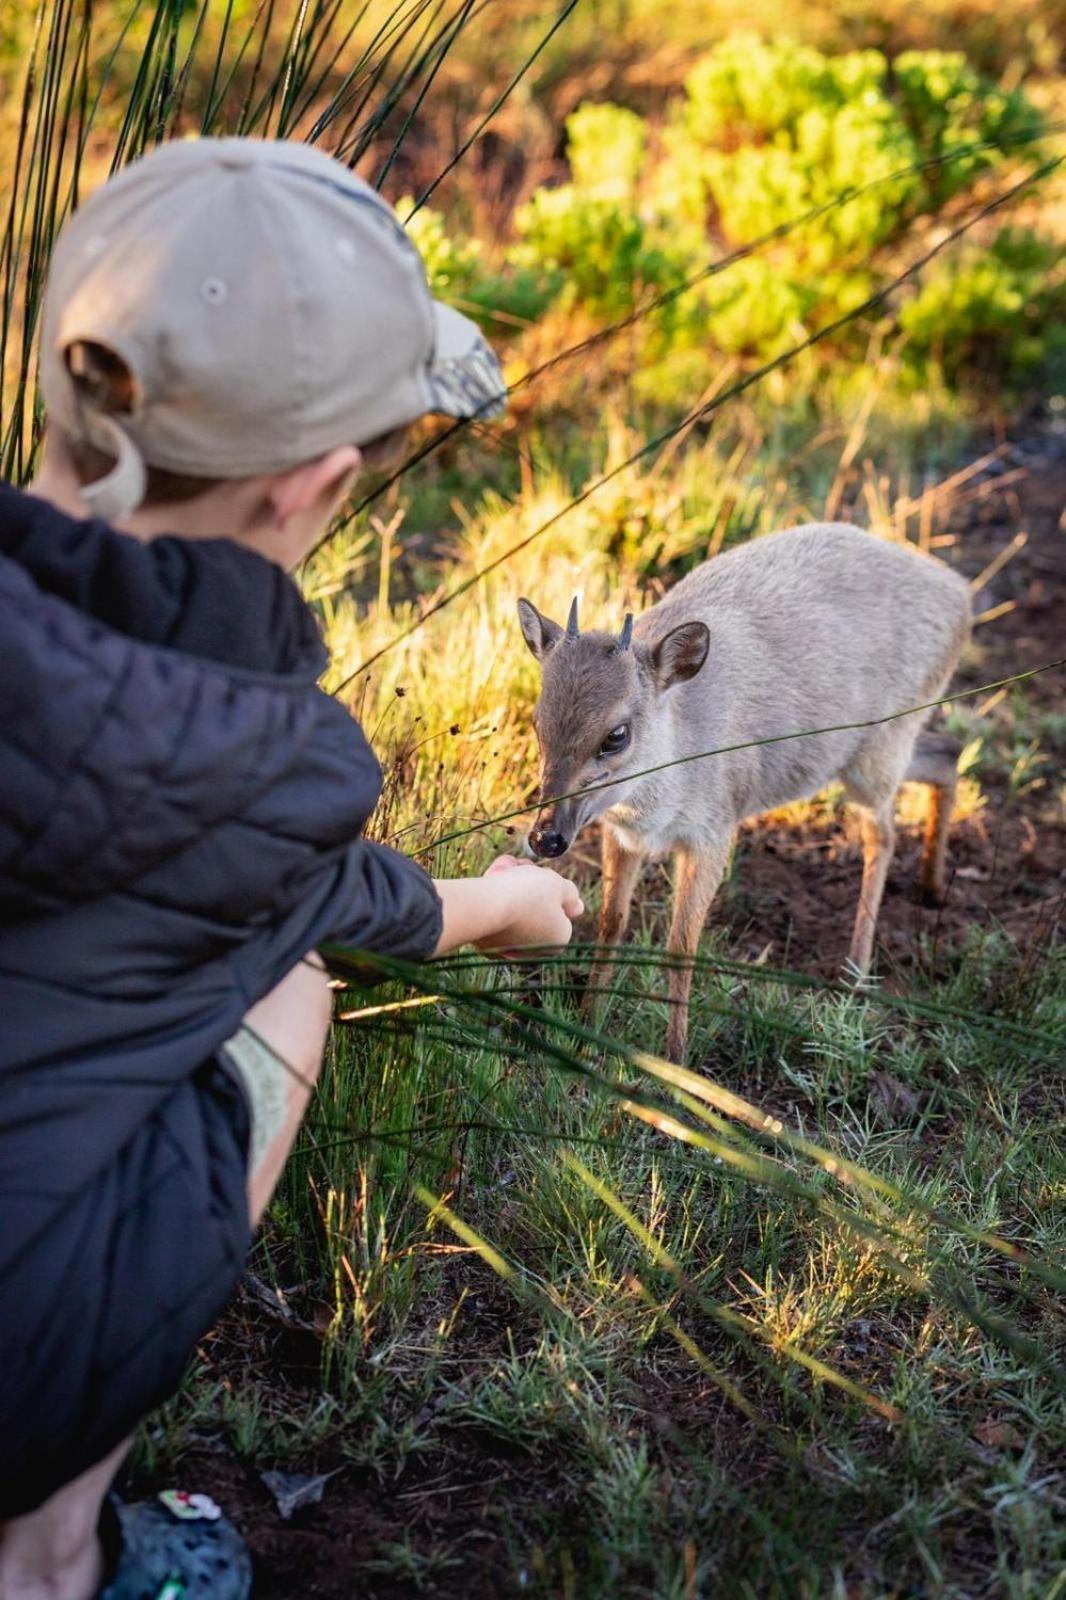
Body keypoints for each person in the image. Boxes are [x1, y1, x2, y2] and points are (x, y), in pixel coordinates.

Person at [0, 137, 583, 1600]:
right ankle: (51, 1554)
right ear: (313, 485)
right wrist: (507, 905)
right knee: (288, 997)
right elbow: (323, 900)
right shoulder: (272, 765)